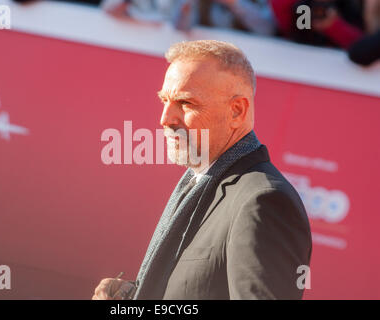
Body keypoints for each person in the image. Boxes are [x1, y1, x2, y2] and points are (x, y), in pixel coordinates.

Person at [92, 40, 312, 300]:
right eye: (164, 100)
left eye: (186, 103)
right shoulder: (200, 181)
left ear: (237, 111)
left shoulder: (263, 201)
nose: (165, 118)